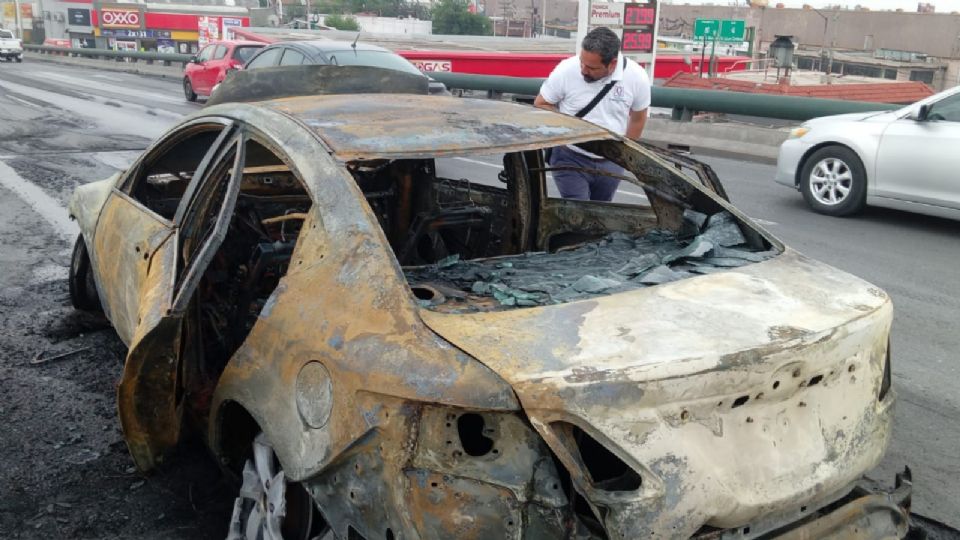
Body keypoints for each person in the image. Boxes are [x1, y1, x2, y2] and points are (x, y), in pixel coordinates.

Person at [534, 27, 651, 201]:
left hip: (611, 161)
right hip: (569, 155)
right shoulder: (566, 69)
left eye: (591, 67)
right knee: (578, 211)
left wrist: (625, 156)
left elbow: (638, 119)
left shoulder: (636, 77)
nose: (583, 70)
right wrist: (568, 128)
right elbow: (541, 103)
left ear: (611, 64)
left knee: (600, 215)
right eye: (582, 62)